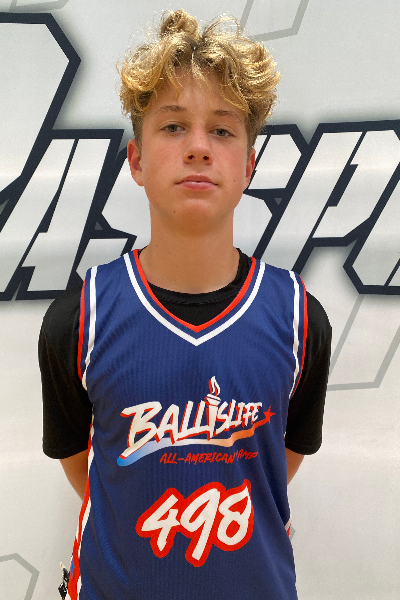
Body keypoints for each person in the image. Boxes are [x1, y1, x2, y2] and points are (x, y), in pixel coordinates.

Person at [39, 10, 331, 600]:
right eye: (173, 126)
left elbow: (277, 465)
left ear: (248, 165)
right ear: (136, 160)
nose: (198, 147)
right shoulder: (79, 320)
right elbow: (86, 468)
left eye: (222, 131)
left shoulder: (299, 319)